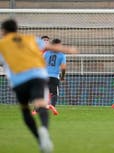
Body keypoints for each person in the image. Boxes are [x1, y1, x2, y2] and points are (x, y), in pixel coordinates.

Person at [0, 19, 77, 153]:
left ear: (4, 31)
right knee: (42, 104)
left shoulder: (2, 44)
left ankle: (40, 139)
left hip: (19, 80)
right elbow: (48, 46)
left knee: (25, 110)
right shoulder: (30, 39)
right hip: (38, 76)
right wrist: (68, 49)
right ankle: (44, 130)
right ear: (16, 29)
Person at [44, 38, 66, 115]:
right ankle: (52, 106)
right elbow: (63, 68)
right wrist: (62, 77)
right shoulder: (62, 55)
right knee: (54, 93)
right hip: (54, 77)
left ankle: (36, 109)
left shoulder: (46, 53)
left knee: (43, 92)